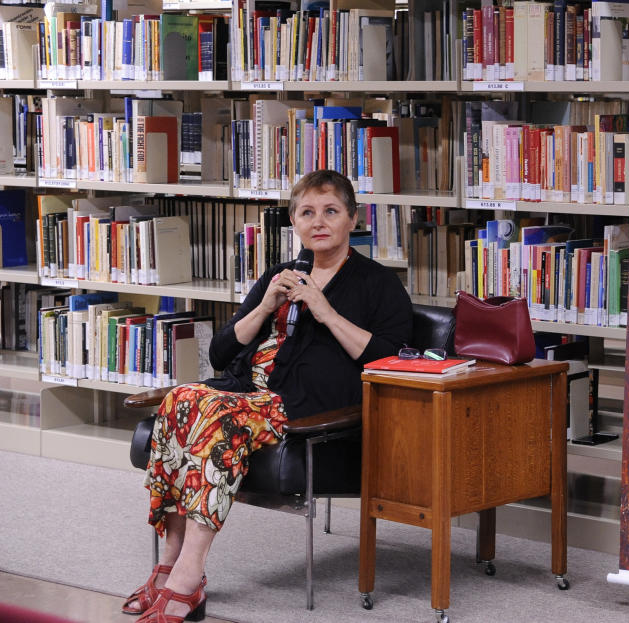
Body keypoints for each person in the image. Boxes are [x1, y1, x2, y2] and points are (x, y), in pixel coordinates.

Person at [123, 169, 412, 622]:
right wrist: (264, 307)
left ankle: (186, 580)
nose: (319, 222)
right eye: (306, 212)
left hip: (304, 407)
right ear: (294, 222)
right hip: (247, 391)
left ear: (352, 219)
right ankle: (169, 564)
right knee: (181, 399)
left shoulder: (378, 283)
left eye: (331, 211)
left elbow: (387, 359)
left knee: (216, 414)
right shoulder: (282, 273)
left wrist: (324, 310)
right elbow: (221, 353)